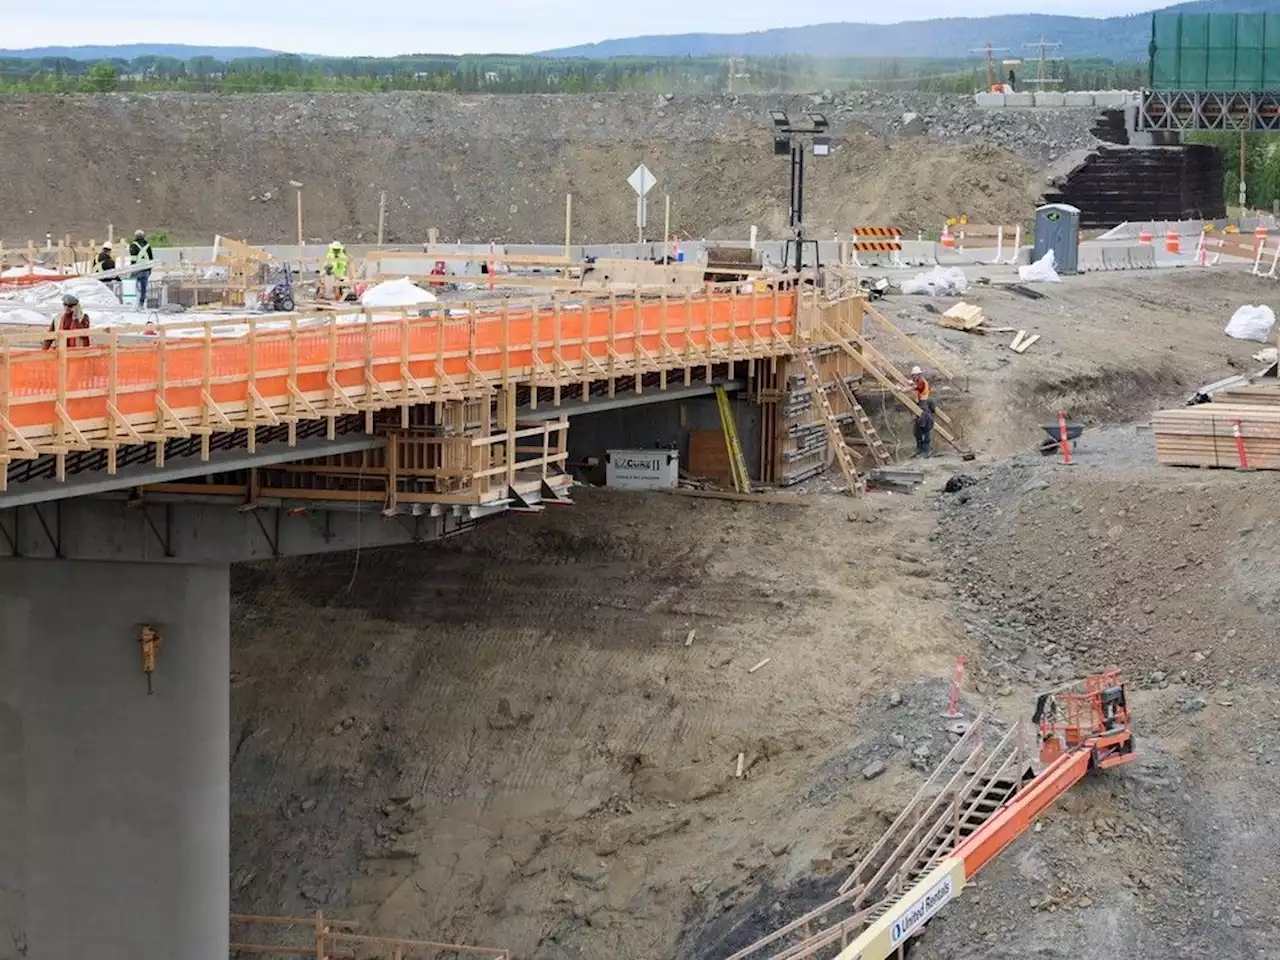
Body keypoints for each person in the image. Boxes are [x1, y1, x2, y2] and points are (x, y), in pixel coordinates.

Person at [911, 365, 934, 458]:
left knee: (925, 428)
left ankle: (926, 450)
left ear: (918, 375)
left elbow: (914, 387)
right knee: (918, 430)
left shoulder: (921, 383)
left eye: (914, 375)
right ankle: (920, 450)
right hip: (921, 405)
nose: (913, 377)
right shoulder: (918, 381)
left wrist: (902, 389)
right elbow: (912, 384)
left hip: (924, 407)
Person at [128, 229, 154, 307]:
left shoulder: (133, 245)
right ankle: (141, 303)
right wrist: (150, 270)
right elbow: (151, 258)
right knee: (143, 288)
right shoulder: (148, 245)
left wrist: (132, 269)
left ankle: (132, 302)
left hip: (137, 269)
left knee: (132, 286)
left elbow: (133, 259)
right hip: (146, 270)